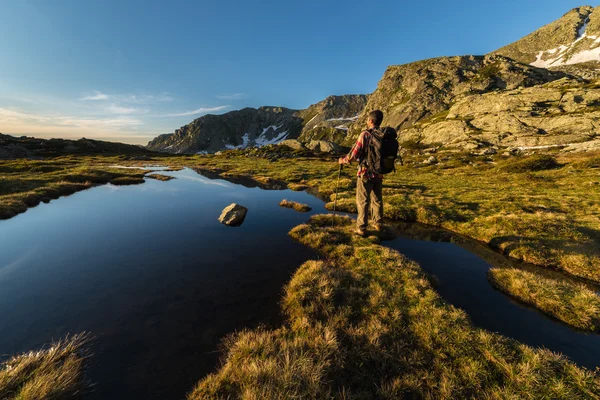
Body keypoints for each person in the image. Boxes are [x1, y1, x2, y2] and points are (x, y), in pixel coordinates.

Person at [338, 110, 384, 236]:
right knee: (377, 200)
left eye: (368, 119)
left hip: (365, 173)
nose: (366, 121)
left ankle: (361, 228)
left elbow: (353, 156)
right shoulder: (383, 134)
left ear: (371, 121)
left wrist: (343, 160)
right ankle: (378, 224)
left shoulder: (365, 134)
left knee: (363, 200)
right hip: (379, 173)